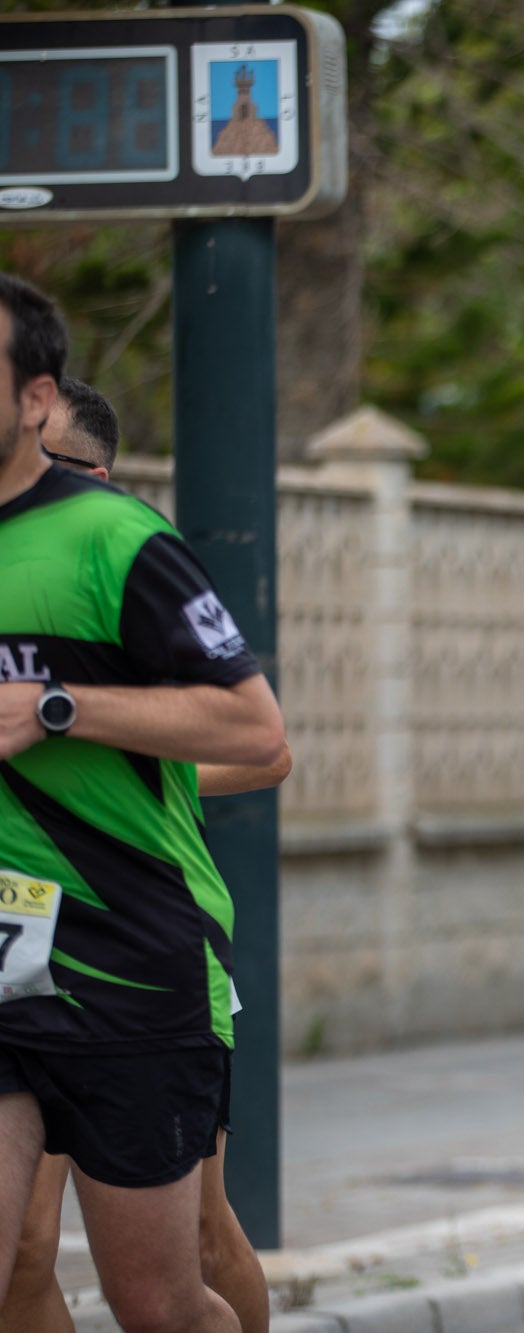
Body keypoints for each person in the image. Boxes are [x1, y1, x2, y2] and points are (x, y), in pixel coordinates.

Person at [0, 273, 287, 1332]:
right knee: (21, 1252)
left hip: (128, 955)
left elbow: (260, 740)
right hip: (3, 958)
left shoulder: (112, 540)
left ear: (35, 400)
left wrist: (63, 710)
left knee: (166, 1289)